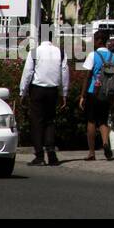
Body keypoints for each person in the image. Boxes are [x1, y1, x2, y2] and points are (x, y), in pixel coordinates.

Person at [18, 33, 69, 166]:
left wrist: (22, 92)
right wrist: (64, 93)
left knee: (37, 122)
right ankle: (51, 154)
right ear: (52, 38)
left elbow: (28, 72)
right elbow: (65, 73)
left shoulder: (35, 52)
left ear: (40, 37)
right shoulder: (61, 52)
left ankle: (39, 155)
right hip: (53, 90)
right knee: (50, 121)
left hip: (37, 90)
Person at [80, 30, 114, 161]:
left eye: (95, 40)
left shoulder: (93, 55)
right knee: (103, 120)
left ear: (99, 41)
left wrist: (82, 95)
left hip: (94, 92)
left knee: (91, 121)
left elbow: (87, 76)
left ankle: (91, 152)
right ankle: (105, 143)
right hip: (108, 93)